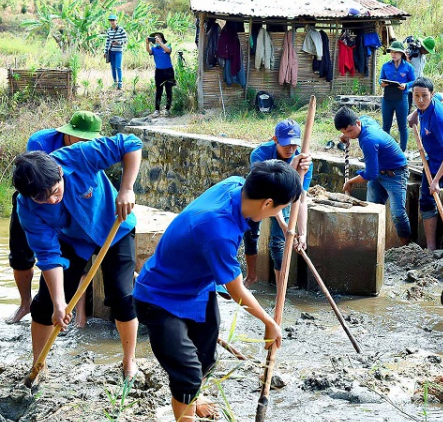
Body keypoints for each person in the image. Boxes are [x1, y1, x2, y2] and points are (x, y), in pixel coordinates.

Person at [134, 159, 309, 421]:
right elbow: (236, 290)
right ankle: (187, 410)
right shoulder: (217, 230)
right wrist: (269, 322)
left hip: (198, 287)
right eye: (279, 209)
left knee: (206, 358)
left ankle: (195, 395)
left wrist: (292, 175)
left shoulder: (237, 186)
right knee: (188, 373)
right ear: (267, 203)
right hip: (159, 298)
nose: (277, 215)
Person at [12, 129, 143, 380]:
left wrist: (127, 189)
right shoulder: (27, 207)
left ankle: (129, 361)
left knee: (122, 296)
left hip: (114, 227)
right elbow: (49, 255)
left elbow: (130, 143)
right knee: (46, 304)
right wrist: (60, 302)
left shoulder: (79, 156)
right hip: (71, 240)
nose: (51, 200)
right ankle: (39, 366)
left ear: (60, 172)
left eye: (54, 191)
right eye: (41, 198)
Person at [5, 111, 100, 326]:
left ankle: (67, 309)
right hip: (33, 202)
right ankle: (25, 303)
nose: (85, 143)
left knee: (69, 254)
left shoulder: (88, 152)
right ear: (69, 132)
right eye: (82, 138)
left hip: (68, 203)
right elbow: (36, 181)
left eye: (89, 140)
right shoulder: (40, 141)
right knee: (21, 256)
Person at [243, 120, 312, 287]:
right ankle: (251, 276)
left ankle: (281, 291)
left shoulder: (305, 163)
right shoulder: (260, 154)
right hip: (261, 196)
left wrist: (302, 233)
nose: (290, 150)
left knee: (278, 243)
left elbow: (300, 198)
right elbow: (268, 195)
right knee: (251, 231)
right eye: (286, 145)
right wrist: (282, 223)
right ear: (275, 139)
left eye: (294, 145)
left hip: (285, 197)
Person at [334, 106, 411, 245]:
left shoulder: (368, 140)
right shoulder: (364, 121)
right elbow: (373, 172)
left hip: (396, 174)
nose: (349, 135)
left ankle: (405, 248)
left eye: (350, 131)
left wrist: (350, 182)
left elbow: (370, 173)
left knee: (398, 214)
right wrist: (345, 133)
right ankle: (374, 245)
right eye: (344, 132)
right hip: (379, 172)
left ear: (357, 123)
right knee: (371, 210)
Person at [408, 77, 443, 253]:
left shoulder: (439, 119)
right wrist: (415, 114)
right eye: (416, 96)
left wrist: (436, 181)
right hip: (433, 160)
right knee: (426, 202)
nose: (419, 100)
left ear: (431, 95)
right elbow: (436, 98)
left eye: (424, 96)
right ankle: (431, 249)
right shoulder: (424, 105)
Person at [380, 41, 416, 151]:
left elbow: (414, 81)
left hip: (402, 98)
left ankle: (402, 150)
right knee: (386, 125)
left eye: (396, 52)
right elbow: (380, 79)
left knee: (402, 126)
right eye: (391, 52)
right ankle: (385, 149)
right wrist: (381, 83)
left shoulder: (408, 67)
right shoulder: (385, 66)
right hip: (387, 98)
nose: (393, 54)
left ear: (401, 54)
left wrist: (406, 85)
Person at [145, 32, 175, 117]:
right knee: (159, 91)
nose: (157, 39)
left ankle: (167, 109)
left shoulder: (167, 46)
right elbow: (149, 51)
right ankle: (157, 109)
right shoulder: (154, 49)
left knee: (169, 90)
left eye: (158, 38)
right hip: (159, 71)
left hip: (168, 71)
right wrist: (147, 43)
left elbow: (168, 50)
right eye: (155, 38)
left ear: (162, 39)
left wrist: (160, 43)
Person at [407, 36, 436, 110]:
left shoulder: (423, 57)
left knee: (421, 108)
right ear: (423, 47)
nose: (428, 52)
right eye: (427, 50)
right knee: (407, 108)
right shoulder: (411, 54)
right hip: (409, 87)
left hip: (419, 87)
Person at [104, 14, 128, 90]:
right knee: (113, 67)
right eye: (111, 20)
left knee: (118, 67)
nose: (112, 22)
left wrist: (118, 42)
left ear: (116, 21)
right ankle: (115, 82)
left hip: (118, 51)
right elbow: (107, 41)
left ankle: (120, 83)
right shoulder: (109, 30)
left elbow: (125, 40)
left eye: (113, 20)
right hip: (111, 51)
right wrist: (105, 51)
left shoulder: (121, 30)